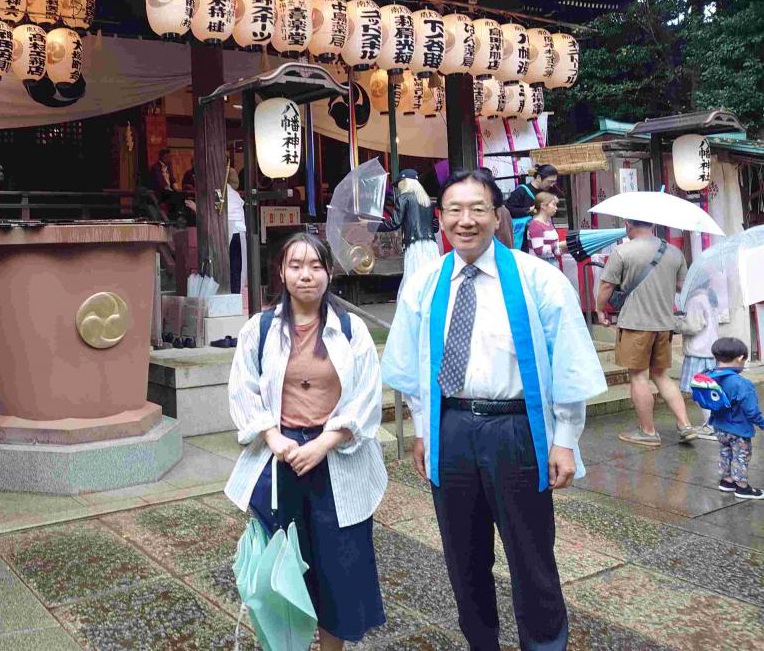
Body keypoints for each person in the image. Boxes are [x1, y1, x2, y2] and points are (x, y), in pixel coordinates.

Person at [382, 168, 606, 651]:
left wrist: (565, 439)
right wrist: (423, 429)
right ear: (438, 217)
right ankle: (480, 642)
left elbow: (568, 363)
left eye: (478, 209)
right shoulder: (424, 284)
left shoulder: (537, 280)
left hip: (516, 430)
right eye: (454, 210)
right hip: (452, 427)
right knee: (463, 557)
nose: (466, 221)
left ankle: (545, 643)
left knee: (531, 556)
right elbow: (414, 366)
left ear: (497, 214)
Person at [225, 232, 387, 650]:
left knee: (338, 567)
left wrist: (324, 442)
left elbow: (367, 396)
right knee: (279, 566)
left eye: (316, 266)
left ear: (329, 272)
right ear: (281, 272)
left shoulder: (350, 330)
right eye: (295, 266)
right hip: (282, 458)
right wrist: (274, 437)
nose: (306, 275)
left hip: (336, 458)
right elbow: (243, 390)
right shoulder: (259, 330)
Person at [595, 220, 697, 446]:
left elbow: (606, 287)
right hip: (664, 324)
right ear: (652, 224)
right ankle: (685, 424)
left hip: (635, 324)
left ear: (628, 224)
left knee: (639, 376)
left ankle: (648, 432)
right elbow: (682, 287)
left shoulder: (622, 251)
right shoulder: (673, 251)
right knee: (660, 375)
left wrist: (600, 309)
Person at [705, 337, 764, 499]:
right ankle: (742, 487)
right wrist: (762, 423)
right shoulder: (742, 383)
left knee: (725, 452)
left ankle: (727, 481)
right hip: (738, 429)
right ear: (740, 358)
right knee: (741, 456)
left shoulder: (710, 377)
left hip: (719, 427)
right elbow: (752, 411)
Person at [376, 169, 440, 298]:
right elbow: (435, 227)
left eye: (399, 184)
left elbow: (394, 223)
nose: (399, 188)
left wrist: (373, 226)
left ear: (405, 182)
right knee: (432, 281)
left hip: (414, 244)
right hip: (431, 245)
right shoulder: (426, 200)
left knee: (414, 282)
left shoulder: (403, 198)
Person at [677, 285, 721, 439]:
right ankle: (714, 424)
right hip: (710, 351)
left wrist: (676, 323)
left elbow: (692, 326)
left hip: (698, 352)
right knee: (709, 390)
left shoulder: (695, 300)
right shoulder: (710, 298)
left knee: (700, 391)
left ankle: (711, 425)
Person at [525, 192, 566, 270]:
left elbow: (554, 251)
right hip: (540, 267)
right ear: (543, 206)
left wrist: (565, 248)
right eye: (553, 204)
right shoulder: (536, 225)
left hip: (552, 263)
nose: (556, 208)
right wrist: (558, 245)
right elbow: (539, 251)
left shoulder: (549, 223)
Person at [227, 168, 246, 294]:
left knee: (233, 267)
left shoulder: (226, 192)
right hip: (239, 231)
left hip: (232, 230)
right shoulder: (234, 194)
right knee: (236, 268)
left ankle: (234, 294)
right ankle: (235, 294)